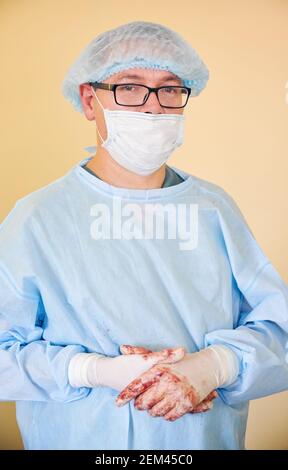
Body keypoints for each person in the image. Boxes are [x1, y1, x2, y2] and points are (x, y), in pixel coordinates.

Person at [0, 20, 288, 451]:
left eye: (170, 89)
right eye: (130, 87)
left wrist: (216, 365)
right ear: (89, 100)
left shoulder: (214, 210)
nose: (153, 107)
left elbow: (278, 328)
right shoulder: (38, 219)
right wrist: (90, 370)